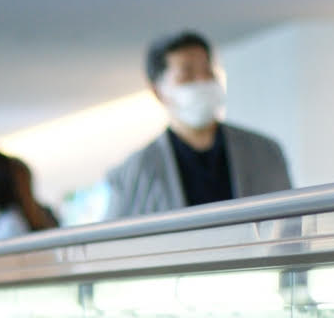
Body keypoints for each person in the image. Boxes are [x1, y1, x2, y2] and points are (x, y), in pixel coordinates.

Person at [105, 31, 292, 219]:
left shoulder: (265, 152)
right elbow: (116, 234)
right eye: (187, 75)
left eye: (208, 72)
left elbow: (291, 223)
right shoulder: (134, 173)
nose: (202, 81)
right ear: (158, 92)